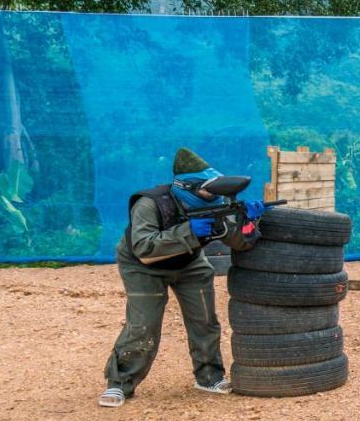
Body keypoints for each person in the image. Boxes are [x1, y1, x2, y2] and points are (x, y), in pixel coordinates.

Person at [98, 148, 267, 407]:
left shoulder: (216, 204)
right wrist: (189, 231)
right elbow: (144, 247)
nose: (214, 197)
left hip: (189, 262)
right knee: (143, 325)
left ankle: (209, 376)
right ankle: (120, 384)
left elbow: (239, 243)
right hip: (143, 266)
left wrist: (247, 224)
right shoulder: (151, 203)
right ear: (186, 186)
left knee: (205, 321)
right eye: (208, 191)